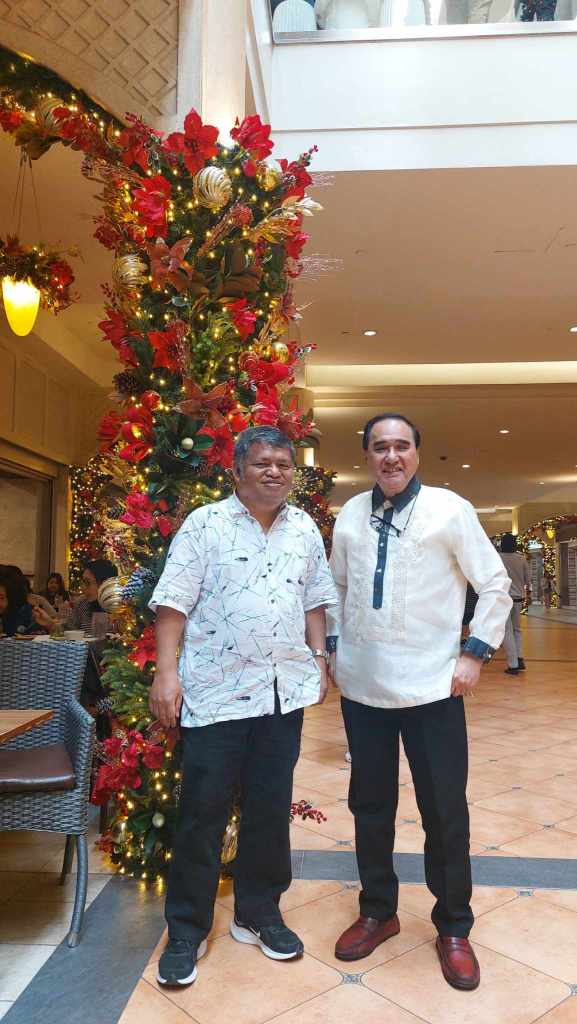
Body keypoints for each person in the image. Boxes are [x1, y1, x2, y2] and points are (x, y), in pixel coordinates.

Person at [148, 426, 338, 989]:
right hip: (215, 694)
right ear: (237, 471)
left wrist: (319, 658)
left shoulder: (303, 527)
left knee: (269, 810)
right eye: (262, 463)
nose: (275, 471)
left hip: (282, 694)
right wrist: (166, 673)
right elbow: (173, 603)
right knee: (202, 812)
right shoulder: (205, 524)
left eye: (284, 463)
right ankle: (186, 930)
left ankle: (258, 913)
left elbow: (314, 601)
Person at [327, 413, 511, 992]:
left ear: (417, 454)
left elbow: (496, 584)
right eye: (380, 447)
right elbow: (335, 589)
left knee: (444, 811)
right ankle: (377, 911)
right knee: (370, 807)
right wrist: (333, 649)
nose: (391, 456)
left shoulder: (449, 510)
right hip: (363, 689)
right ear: (367, 455)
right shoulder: (350, 514)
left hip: (434, 689)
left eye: (401, 446)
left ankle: (453, 926)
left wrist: (475, 652)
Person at [499, 533, 531, 676]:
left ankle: (513, 664)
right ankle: (519, 658)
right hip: (518, 598)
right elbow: (528, 579)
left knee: (507, 630)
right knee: (517, 629)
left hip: (504, 598)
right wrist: (528, 593)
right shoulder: (521, 558)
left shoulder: (498, 558)